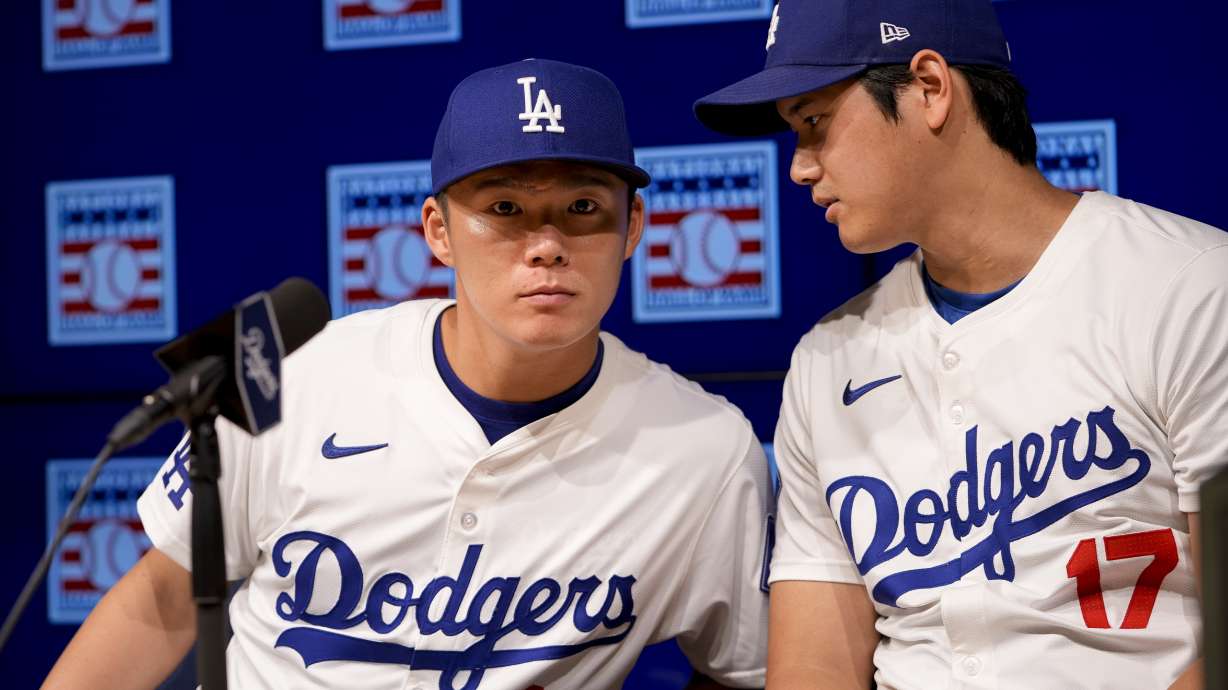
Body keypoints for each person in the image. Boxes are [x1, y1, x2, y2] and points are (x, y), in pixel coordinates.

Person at [44, 58, 773, 690]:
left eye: (583, 207)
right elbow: (165, 599)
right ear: (437, 231)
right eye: (504, 208)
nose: (546, 245)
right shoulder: (297, 375)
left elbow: (745, 671)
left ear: (634, 227)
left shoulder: (704, 449)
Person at [693, 1, 1223, 688]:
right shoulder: (828, 359)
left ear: (930, 89)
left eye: (815, 123)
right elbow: (815, 666)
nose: (798, 167)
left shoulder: (1191, 289)